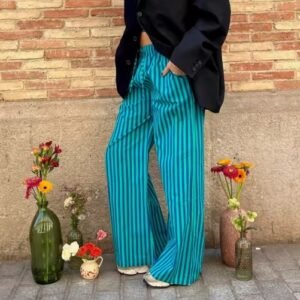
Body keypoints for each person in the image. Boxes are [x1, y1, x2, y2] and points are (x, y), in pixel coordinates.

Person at [104, 0, 231, 287]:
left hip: (174, 65)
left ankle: (180, 264)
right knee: (120, 153)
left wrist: (181, 61)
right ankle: (143, 247)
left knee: (180, 166)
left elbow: (215, 17)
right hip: (141, 63)